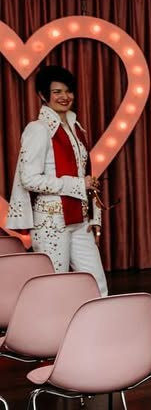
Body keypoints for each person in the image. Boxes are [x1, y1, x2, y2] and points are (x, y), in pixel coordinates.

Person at [6, 65, 108, 296]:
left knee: (96, 283)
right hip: (51, 221)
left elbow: (85, 175)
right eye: (57, 92)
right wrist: (78, 184)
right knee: (55, 284)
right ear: (43, 95)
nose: (65, 97)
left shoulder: (75, 128)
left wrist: (95, 214)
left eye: (68, 91)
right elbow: (29, 179)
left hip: (79, 218)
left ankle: (98, 320)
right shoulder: (38, 129)